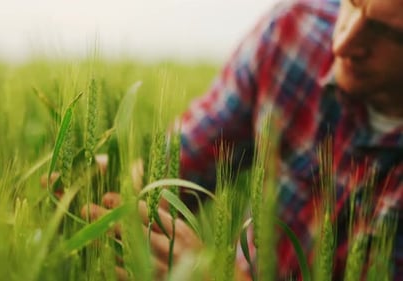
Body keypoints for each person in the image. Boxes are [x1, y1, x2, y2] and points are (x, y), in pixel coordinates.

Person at [83, 0, 403, 279]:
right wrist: (97, 187)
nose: (343, 43)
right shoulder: (295, 34)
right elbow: (179, 165)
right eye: (353, 2)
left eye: (388, 33)